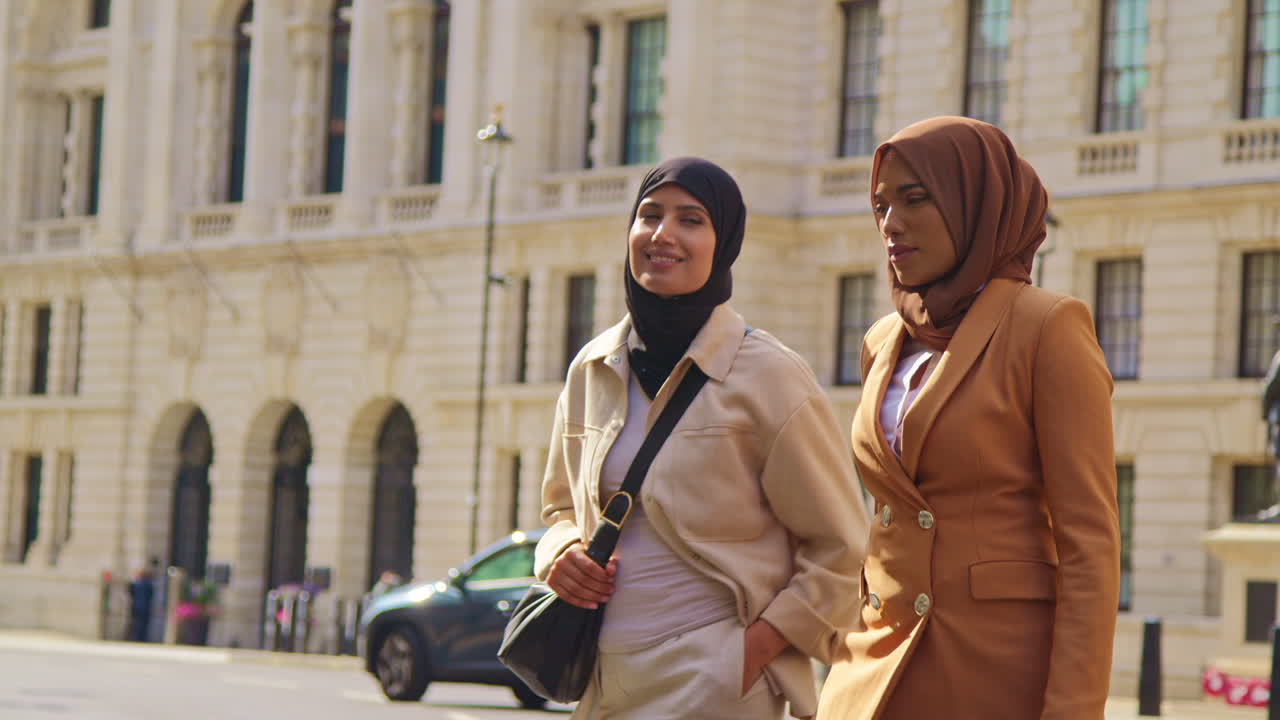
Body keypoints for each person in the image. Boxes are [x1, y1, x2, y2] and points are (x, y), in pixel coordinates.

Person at [535, 157, 869, 719]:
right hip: (602, 683)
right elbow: (559, 509)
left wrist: (748, 654)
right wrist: (560, 554)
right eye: (650, 215)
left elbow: (842, 545)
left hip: (715, 688)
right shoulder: (593, 367)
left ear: (724, 244)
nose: (662, 234)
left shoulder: (770, 373)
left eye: (690, 220)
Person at [816, 117, 1121, 720]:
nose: (890, 223)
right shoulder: (882, 340)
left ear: (974, 203)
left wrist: (1072, 710)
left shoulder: (1048, 327)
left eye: (914, 199)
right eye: (880, 206)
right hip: (871, 672)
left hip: (996, 679)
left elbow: (1090, 545)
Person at [127, 563, 156, 642]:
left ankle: (134, 638)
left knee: (135, 623)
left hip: (136, 606)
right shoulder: (148, 584)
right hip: (145, 607)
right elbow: (151, 595)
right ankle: (141, 638)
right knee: (143, 624)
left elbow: (130, 592)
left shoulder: (136, 584)